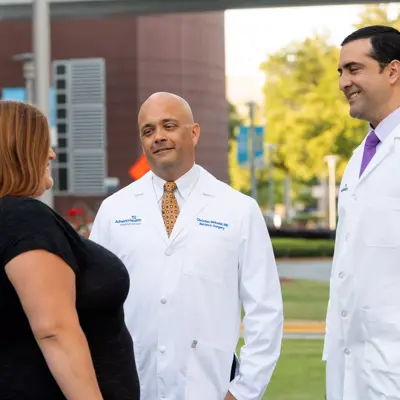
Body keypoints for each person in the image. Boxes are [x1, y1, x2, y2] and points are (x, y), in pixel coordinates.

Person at [89, 92, 283, 400]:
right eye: (148, 130)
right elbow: (92, 305)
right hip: (129, 385)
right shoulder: (114, 211)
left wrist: (244, 391)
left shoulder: (238, 209)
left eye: (169, 125)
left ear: (194, 132)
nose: (158, 137)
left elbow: (265, 310)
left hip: (209, 387)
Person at [0, 100, 140, 400]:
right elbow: (54, 330)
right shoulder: (25, 217)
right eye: (41, 145)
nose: (51, 154)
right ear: (17, 152)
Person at [324, 25, 400, 400]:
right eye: (340, 72)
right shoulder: (359, 157)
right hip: (351, 364)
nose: (343, 82)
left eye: (354, 69)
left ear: (392, 71)